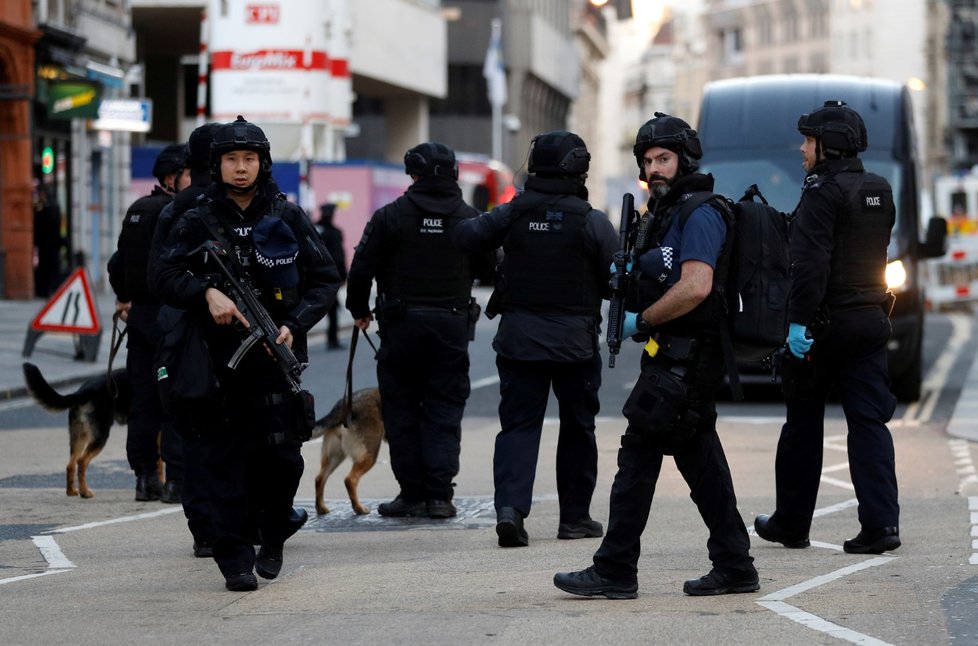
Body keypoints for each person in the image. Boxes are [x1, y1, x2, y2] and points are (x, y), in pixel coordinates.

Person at [553, 113, 758, 599]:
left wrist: (641, 322)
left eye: (663, 158)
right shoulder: (664, 214)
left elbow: (696, 286)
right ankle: (734, 563)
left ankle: (616, 568)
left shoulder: (700, 212)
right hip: (673, 354)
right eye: (648, 161)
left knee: (639, 456)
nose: (655, 169)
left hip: (688, 355)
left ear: (684, 159)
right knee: (699, 458)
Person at [151, 116, 340, 591]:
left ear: (263, 163)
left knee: (284, 460)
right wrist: (204, 294)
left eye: (249, 159)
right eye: (232, 159)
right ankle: (234, 558)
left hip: (273, 357)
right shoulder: (195, 217)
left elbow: (325, 279)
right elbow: (162, 277)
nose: (240, 168)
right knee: (221, 463)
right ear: (217, 164)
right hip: (215, 362)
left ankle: (273, 533)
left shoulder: (286, 214)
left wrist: (295, 325)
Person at [452, 131, 617, 547]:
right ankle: (574, 519)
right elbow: (617, 280)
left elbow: (466, 237)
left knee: (518, 427)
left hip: (519, 341)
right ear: (579, 168)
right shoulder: (592, 220)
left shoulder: (512, 212)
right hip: (575, 345)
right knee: (578, 428)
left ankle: (510, 511)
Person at [754, 100, 900, 555]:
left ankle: (792, 523)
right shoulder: (880, 189)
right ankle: (882, 526)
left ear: (829, 147)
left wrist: (796, 324)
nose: (802, 149)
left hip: (823, 326)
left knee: (802, 425)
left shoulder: (821, 191)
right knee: (869, 423)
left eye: (808, 141)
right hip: (870, 321)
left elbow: (810, 264)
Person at [345, 141, 495, 519]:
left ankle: (412, 494)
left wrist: (359, 310)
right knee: (444, 410)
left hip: (401, 327)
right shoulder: (470, 218)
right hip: (451, 326)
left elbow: (361, 268)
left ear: (413, 174)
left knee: (402, 411)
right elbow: (493, 268)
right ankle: (440, 497)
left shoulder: (390, 217)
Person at [149, 122, 221, 559]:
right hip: (225, 334)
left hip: (181, 337)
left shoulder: (174, 207)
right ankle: (239, 523)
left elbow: (155, 278)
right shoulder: (249, 204)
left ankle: (206, 531)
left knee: (195, 434)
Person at [107, 142, 186, 503]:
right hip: (170, 317)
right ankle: (175, 480)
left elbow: (116, 264)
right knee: (174, 397)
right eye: (189, 174)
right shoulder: (176, 211)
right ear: (172, 178)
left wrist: (124, 298)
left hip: (139, 319)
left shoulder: (137, 209)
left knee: (143, 400)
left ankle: (144, 478)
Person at [316, 203, 347, 350]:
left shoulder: (315, 229)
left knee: (331, 308)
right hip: (328, 276)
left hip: (316, 276)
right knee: (332, 309)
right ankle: (332, 339)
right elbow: (339, 257)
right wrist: (342, 275)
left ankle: (332, 338)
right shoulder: (333, 232)